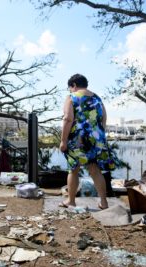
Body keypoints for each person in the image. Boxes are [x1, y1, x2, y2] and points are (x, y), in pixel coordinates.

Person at [59, 74, 118, 210]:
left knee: (73, 170)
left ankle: (71, 201)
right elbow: (104, 118)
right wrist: (98, 135)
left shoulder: (71, 97)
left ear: (73, 85)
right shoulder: (97, 98)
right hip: (97, 139)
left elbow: (68, 118)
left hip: (77, 139)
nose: (70, 91)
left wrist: (63, 141)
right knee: (95, 170)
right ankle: (103, 202)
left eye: (70, 88)